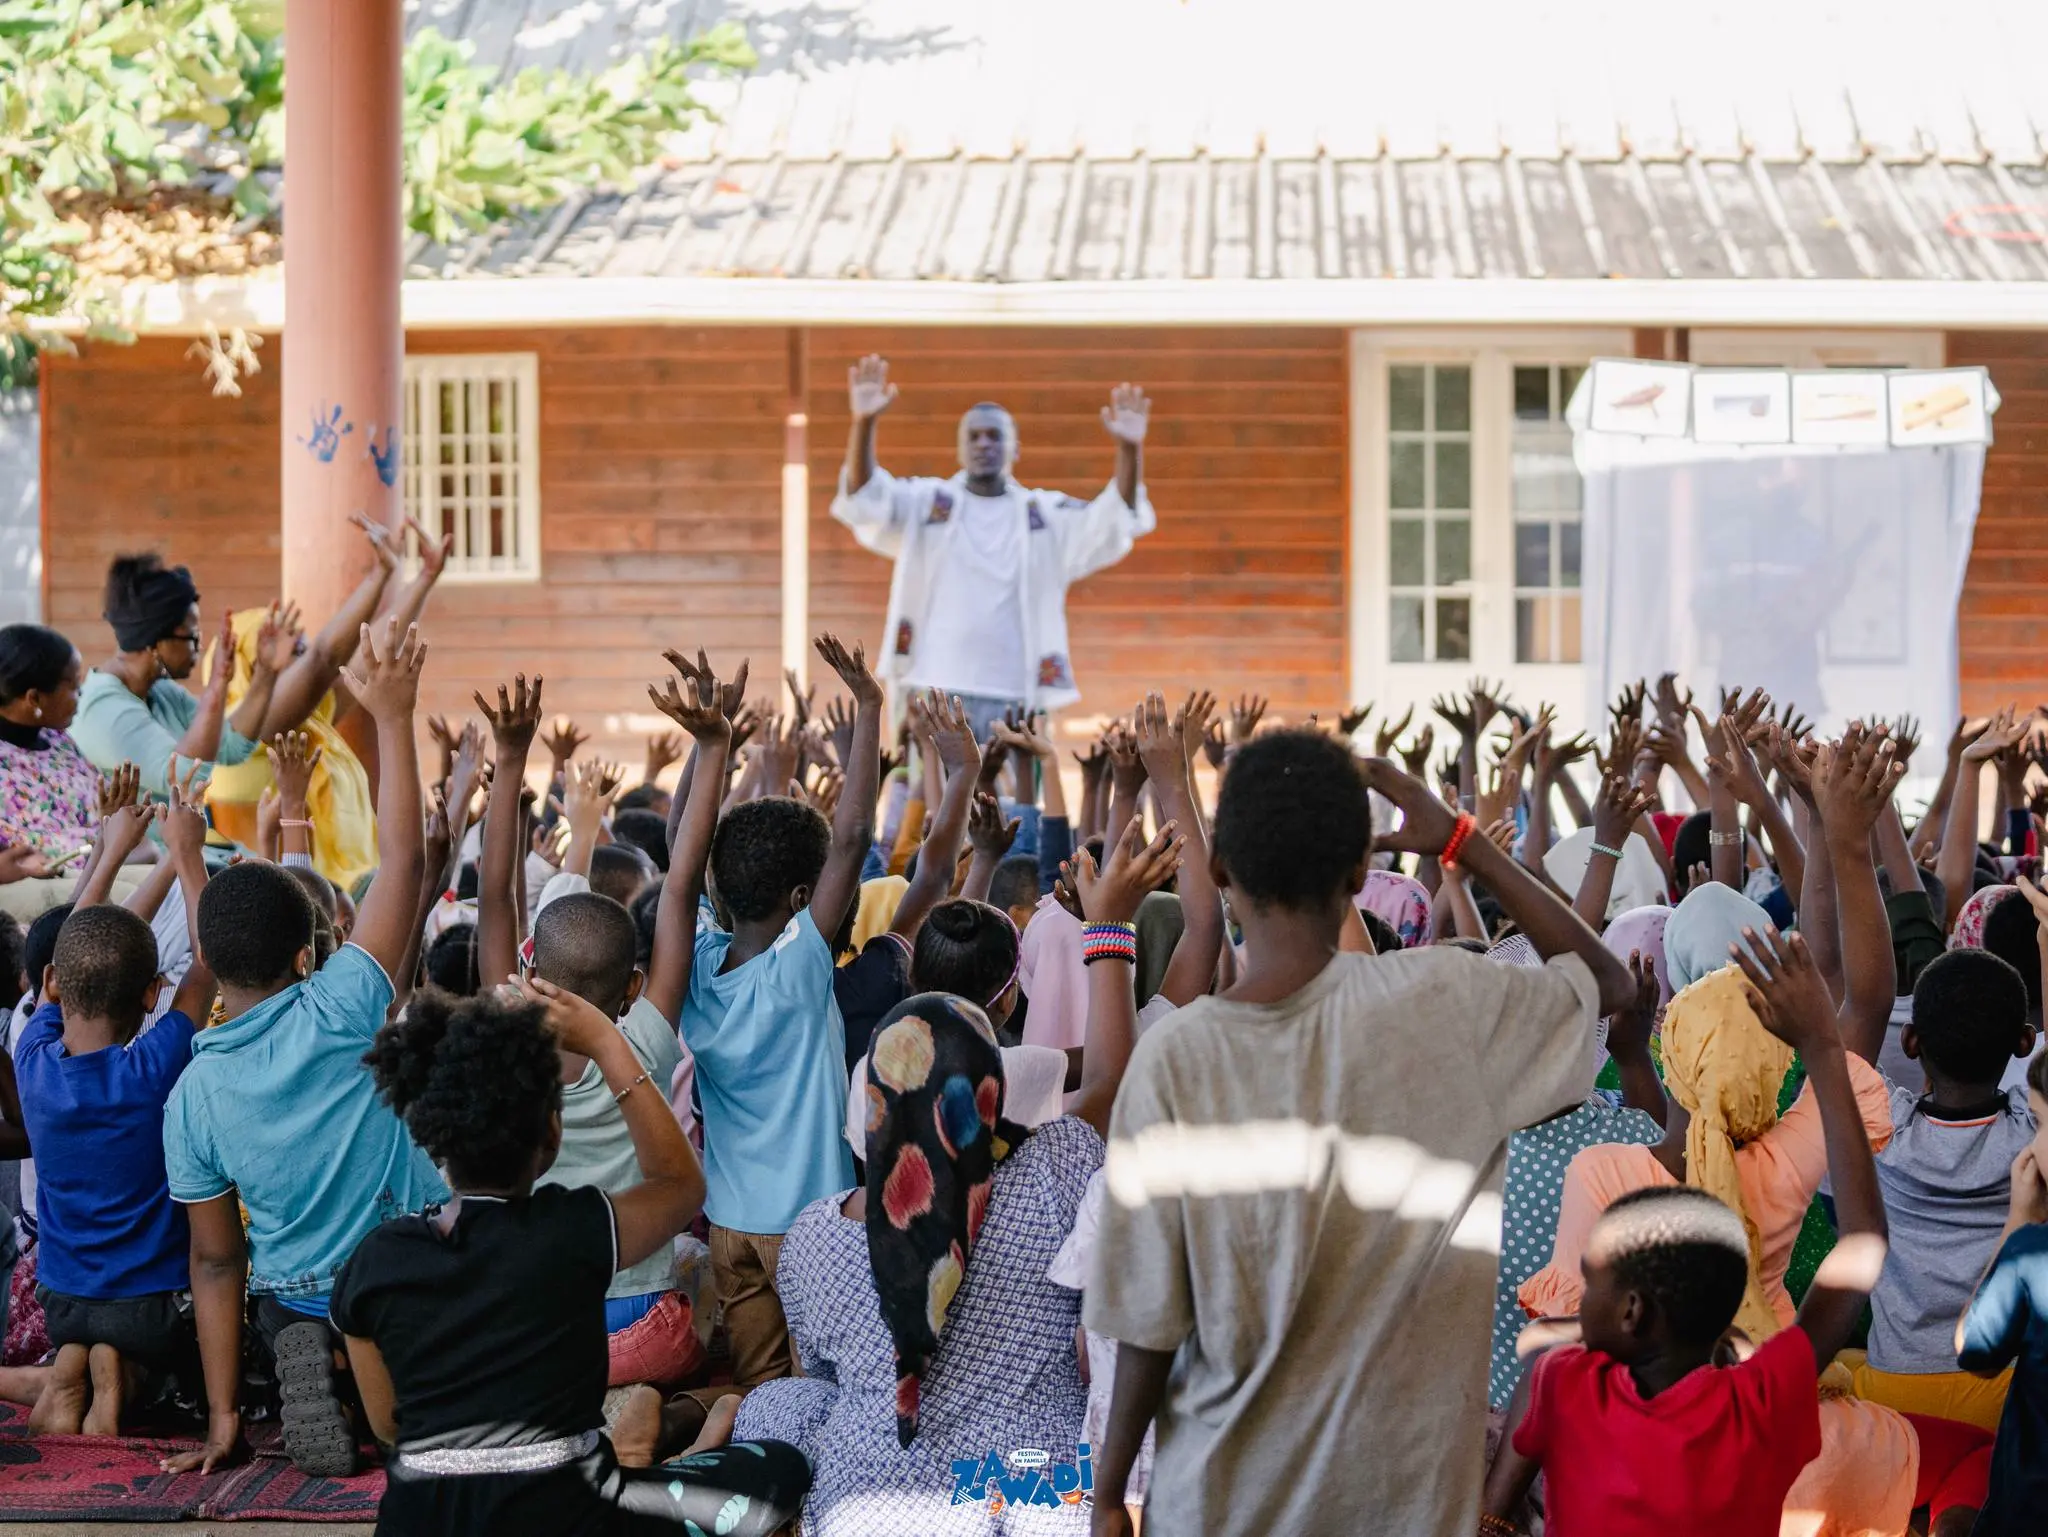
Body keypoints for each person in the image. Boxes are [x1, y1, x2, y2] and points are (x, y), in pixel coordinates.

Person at [1083, 734, 1635, 1537]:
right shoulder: (1451, 1001)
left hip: (1217, 1508)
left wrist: (1108, 1494)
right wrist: (1460, 838)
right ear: (1356, 874)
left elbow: (1145, 1323)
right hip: (1403, 1510)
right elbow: (1610, 983)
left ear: (1223, 871)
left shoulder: (1175, 1057)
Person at [732, 816, 1180, 1535]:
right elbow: (1110, 1083)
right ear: (993, 1086)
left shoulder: (814, 1237)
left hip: (868, 1502)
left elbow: (823, 1376)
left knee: (777, 1403)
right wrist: (1109, 930)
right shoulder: (1058, 1165)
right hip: (1024, 1488)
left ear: (871, 1101)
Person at [333, 982, 810, 1537]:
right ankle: (657, 1456)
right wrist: (608, 1045)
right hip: (577, 1512)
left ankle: (646, 1453)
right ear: (552, 1134)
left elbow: (389, 1425)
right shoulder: (572, 1229)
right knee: (781, 1467)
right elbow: (681, 1186)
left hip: (422, 1520)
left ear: (431, 1137)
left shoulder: (376, 1262)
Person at [1484, 930, 1894, 1537]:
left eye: (1590, 1279)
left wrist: (1491, 1518)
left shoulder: (1571, 1385)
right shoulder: (1762, 1399)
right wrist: (1821, 1048)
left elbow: (1543, 1362)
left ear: (1629, 1311)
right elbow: (1862, 1245)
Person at [159, 617, 441, 1478]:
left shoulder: (192, 1093)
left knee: (285, 1305)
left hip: (287, 1295)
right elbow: (404, 860)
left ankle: (316, 1356)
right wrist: (392, 715)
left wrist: (220, 1419)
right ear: (304, 956)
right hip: (404, 1272)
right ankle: (386, 1396)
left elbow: (214, 1260)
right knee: (431, 1317)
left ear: (211, 959)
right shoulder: (343, 1006)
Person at [678, 634, 880, 1394]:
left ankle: (753, 1467)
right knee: (819, 1380)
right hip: (807, 1227)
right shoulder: (798, 967)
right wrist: (867, 706)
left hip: (726, 1221)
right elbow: (854, 837)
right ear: (803, 899)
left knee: (763, 1383)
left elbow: (680, 852)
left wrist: (710, 748)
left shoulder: (697, 962)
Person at [13, 782, 212, 1437]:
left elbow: (68, 946)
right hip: (148, 1307)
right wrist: (188, 857)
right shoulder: (151, 1068)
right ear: (153, 994)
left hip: (62, 1301)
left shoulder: (34, 1058)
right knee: (192, 1365)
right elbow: (207, 968)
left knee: (87, 1330)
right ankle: (130, 1379)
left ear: (51, 984)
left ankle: (80, 1357)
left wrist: (112, 851)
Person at [831, 354, 1156, 734]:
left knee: (1011, 797)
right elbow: (866, 497)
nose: (983, 443)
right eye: (973, 436)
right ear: (960, 449)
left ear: (1016, 449)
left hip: (1017, 699)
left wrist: (1130, 450)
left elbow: (1112, 518)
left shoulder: (1044, 516)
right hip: (930, 691)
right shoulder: (927, 504)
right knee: (926, 795)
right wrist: (864, 422)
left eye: (995, 435)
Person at [206, 513, 453, 891]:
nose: (301, 651)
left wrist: (422, 579)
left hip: (340, 893)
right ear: (250, 667)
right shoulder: (243, 736)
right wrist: (379, 576)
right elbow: (322, 661)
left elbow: (366, 659)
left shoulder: (308, 723)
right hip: (297, 902)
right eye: (289, 648)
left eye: (300, 644)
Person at [1850, 946, 2036, 1434]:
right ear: (2024, 1042)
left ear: (1911, 1041)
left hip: (1895, 1392)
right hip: (2006, 1388)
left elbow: (1847, 1052)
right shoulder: (2034, 1133)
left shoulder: (1884, 1131)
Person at [71, 554, 288, 798]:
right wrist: (218, 683)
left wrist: (266, 673)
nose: (198, 646)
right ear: (155, 642)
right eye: (192, 636)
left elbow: (231, 746)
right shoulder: (105, 712)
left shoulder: (158, 690)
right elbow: (184, 777)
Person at [1955, 1050, 2048, 1537]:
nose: (2031, 1147)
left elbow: (1976, 1353)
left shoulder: (2034, 1255)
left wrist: (2018, 1222)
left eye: (2039, 1123)